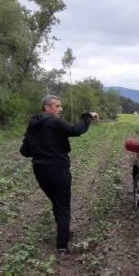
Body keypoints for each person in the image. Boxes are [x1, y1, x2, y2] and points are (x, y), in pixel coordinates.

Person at [20, 95, 98, 253]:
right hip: (58, 168)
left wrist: (40, 148)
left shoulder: (32, 125)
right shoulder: (54, 121)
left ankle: (63, 233)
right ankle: (62, 246)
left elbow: (24, 151)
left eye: (60, 106)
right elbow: (76, 130)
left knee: (57, 202)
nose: (60, 109)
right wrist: (87, 116)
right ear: (47, 108)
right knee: (62, 206)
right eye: (57, 106)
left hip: (40, 170)